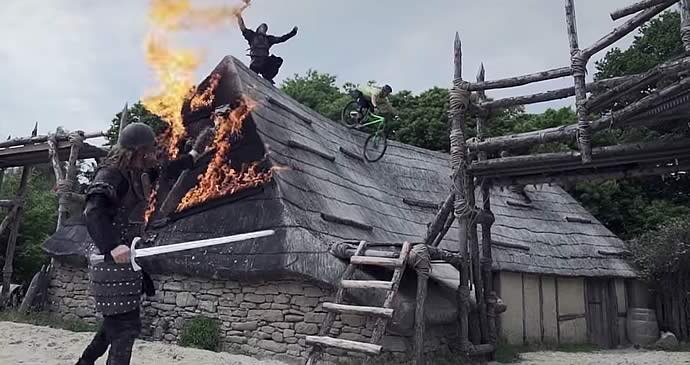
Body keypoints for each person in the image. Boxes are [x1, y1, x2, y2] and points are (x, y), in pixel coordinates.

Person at [74, 123, 206, 365]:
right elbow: (93, 212)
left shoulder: (139, 172)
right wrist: (112, 246)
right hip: (111, 261)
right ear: (138, 151)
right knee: (125, 328)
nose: (154, 154)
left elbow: (167, 169)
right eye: (149, 150)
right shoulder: (111, 174)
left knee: (115, 325)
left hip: (127, 261)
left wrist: (193, 156)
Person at [237, 15, 298, 84]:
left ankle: (267, 76)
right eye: (262, 28)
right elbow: (242, 27)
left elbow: (281, 39)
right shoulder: (252, 36)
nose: (263, 29)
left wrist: (292, 33)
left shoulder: (269, 39)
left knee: (277, 60)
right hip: (255, 64)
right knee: (252, 73)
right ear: (258, 29)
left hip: (264, 64)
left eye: (264, 28)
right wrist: (239, 16)